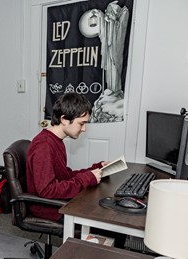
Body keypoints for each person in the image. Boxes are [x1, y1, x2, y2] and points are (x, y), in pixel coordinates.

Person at [27, 92, 126, 247]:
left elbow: (65, 175)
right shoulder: (44, 146)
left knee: (110, 216)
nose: (84, 129)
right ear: (64, 119)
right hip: (48, 207)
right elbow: (47, 190)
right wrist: (87, 179)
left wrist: (96, 169)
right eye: (81, 123)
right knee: (112, 225)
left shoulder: (56, 141)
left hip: (58, 201)